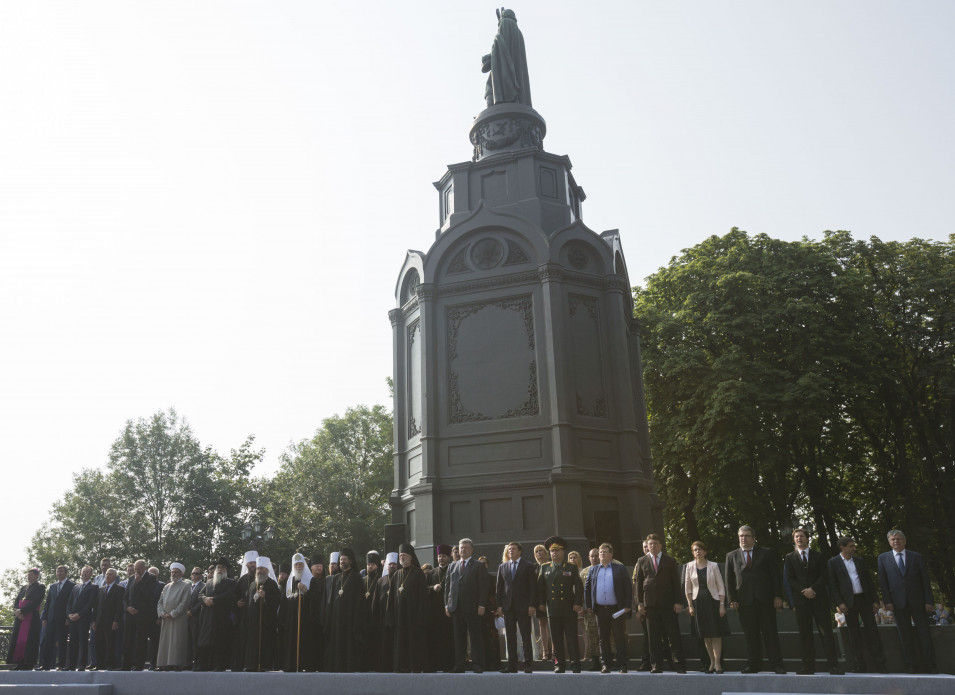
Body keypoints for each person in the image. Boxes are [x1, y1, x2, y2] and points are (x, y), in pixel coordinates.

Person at [725, 525, 786, 674]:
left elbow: (775, 576)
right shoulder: (731, 556)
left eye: (746, 535)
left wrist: (778, 596)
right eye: (741, 536)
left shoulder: (766, 553)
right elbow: (729, 580)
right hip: (744, 602)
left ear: (754, 538)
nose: (743, 538)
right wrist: (732, 599)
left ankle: (777, 664)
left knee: (770, 633)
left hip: (765, 600)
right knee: (750, 635)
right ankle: (753, 665)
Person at [877, 529, 938, 674]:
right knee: (904, 635)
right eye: (893, 539)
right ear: (889, 542)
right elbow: (883, 582)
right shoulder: (883, 558)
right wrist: (887, 601)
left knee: (924, 633)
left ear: (904, 541)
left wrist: (929, 600)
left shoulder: (916, 557)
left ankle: (930, 664)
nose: (896, 541)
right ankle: (911, 665)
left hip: (918, 601)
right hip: (897, 603)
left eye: (898, 539)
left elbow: (925, 579)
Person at [784, 528, 843, 675]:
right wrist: (804, 591)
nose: (799, 539)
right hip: (801, 601)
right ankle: (807, 666)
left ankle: (833, 666)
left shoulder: (819, 555)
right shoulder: (789, 557)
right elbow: (790, 579)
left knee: (826, 633)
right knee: (805, 634)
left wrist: (813, 589)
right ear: (794, 540)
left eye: (802, 536)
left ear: (807, 538)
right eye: (796, 537)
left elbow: (824, 575)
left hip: (819, 599)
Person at [827, 536, 886, 673]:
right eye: (851, 546)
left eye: (854, 546)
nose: (854, 548)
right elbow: (833, 584)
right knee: (853, 634)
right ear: (843, 547)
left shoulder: (860, 561)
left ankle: (880, 664)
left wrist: (875, 600)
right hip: (848, 602)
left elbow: (869, 581)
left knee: (873, 632)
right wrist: (839, 602)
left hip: (864, 599)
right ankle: (859, 664)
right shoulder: (833, 562)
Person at [634, 533, 686, 673]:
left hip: (668, 604)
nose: (652, 546)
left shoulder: (670, 560)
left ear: (661, 545)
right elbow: (639, 584)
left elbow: (676, 582)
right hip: (650, 605)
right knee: (653, 638)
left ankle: (679, 665)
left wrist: (678, 601)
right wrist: (639, 603)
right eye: (650, 544)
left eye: (655, 543)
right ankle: (656, 665)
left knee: (673, 635)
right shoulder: (642, 561)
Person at [537, 535, 583, 673]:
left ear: (563, 552)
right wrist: (541, 603)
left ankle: (575, 664)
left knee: (571, 637)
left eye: (557, 551)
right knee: (556, 639)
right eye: (552, 551)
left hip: (569, 608)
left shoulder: (571, 567)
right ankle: (559, 664)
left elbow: (579, 587)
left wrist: (578, 603)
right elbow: (540, 588)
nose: (554, 553)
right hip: (553, 609)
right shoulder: (545, 568)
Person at [584, 542, 631, 674]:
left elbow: (627, 587)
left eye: (604, 552)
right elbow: (587, 588)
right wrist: (588, 606)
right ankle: (606, 664)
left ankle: (622, 664)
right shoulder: (593, 570)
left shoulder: (619, 568)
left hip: (616, 609)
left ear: (611, 554)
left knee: (619, 636)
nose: (602, 554)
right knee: (603, 638)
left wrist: (627, 605)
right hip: (600, 609)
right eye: (600, 552)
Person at [445, 537, 490, 673]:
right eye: (460, 548)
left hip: (472, 607)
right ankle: (459, 665)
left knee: (475, 636)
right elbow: (447, 587)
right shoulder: (452, 566)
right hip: (456, 607)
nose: (462, 550)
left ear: (471, 549)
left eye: (465, 548)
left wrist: (482, 605)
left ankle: (477, 664)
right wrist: (447, 605)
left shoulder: (478, 565)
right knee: (459, 638)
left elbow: (484, 587)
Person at [684, 541, 728, 674]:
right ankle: (711, 663)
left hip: (713, 602)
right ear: (693, 553)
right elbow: (687, 588)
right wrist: (690, 605)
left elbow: (721, 587)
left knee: (716, 633)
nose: (698, 552)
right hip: (698, 603)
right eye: (695, 550)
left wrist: (722, 605)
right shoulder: (689, 566)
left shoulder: (713, 566)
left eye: (700, 549)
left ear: (705, 551)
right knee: (705, 635)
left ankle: (718, 663)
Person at [495, 541, 537, 673]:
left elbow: (533, 587)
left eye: (513, 549)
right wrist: (499, 606)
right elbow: (499, 589)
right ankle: (511, 665)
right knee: (510, 637)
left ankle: (528, 664)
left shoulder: (528, 566)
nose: (510, 551)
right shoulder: (503, 566)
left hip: (524, 606)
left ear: (520, 551)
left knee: (525, 636)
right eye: (509, 549)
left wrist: (532, 604)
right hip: (508, 607)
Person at [390, 543, 430, 672]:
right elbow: (391, 597)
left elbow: (423, 597)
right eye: (400, 555)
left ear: (411, 557)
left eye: (404, 555)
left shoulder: (418, 573)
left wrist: (421, 616)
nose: (402, 557)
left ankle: (414, 665)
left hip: (414, 616)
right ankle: (401, 665)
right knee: (400, 640)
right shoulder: (396, 575)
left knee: (414, 641)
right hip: (399, 615)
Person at [481, 8, 532, 107]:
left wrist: (501, 22)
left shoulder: (505, 24)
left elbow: (500, 48)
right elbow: (505, 48)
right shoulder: (518, 33)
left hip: (502, 74)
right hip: (514, 81)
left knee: (490, 91)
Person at [329, 547, 367, 672]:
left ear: (350, 561)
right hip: (337, 619)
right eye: (340, 559)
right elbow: (331, 600)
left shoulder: (356, 577)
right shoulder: (336, 578)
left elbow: (360, 602)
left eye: (344, 559)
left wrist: (357, 620)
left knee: (349, 645)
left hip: (350, 619)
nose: (342, 562)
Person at [196, 558, 236, 671]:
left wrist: (214, 600)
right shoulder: (208, 582)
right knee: (205, 640)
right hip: (207, 617)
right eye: (218, 567)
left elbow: (229, 595)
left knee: (219, 642)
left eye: (222, 568)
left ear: (226, 570)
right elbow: (199, 594)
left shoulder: (230, 582)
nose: (220, 570)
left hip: (221, 617)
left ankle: (219, 666)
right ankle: (202, 665)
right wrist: (205, 599)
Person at [242, 557, 280, 671]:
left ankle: (264, 665)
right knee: (252, 643)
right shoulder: (253, 585)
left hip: (266, 623)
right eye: (258, 568)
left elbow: (277, 600)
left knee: (265, 644)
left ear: (267, 570)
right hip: (253, 622)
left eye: (262, 568)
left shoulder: (272, 584)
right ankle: (251, 665)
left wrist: (265, 596)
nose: (260, 571)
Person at [280, 552, 314, 672]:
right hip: (291, 620)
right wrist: (283, 619)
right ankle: (291, 664)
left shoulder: (311, 580)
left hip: (305, 619)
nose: (298, 567)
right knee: (291, 642)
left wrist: (306, 592)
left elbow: (315, 601)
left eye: (300, 564)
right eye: (296, 565)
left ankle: (304, 664)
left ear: (304, 565)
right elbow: (284, 601)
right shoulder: (290, 581)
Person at [122, 559, 158, 671]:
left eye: (138, 569)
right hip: (130, 614)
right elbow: (125, 597)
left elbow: (149, 596)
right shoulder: (131, 578)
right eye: (135, 569)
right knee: (128, 640)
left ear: (143, 568)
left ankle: (138, 665)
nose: (136, 571)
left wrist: (140, 582)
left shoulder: (151, 578)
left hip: (142, 615)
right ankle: (126, 665)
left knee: (140, 641)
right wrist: (127, 608)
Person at [155, 562, 192, 670]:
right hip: (166, 618)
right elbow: (160, 602)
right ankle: (164, 664)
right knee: (165, 641)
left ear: (181, 574)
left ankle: (176, 663)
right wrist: (162, 613)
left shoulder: (186, 586)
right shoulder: (166, 587)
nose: (174, 574)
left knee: (177, 641)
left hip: (178, 618)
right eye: (172, 572)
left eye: (176, 572)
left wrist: (173, 614)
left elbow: (184, 602)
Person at [7, 568, 45, 670]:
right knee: (19, 639)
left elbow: (36, 602)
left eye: (31, 574)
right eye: (28, 574)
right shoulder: (24, 587)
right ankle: (19, 662)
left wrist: (22, 611)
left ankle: (28, 663)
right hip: (20, 618)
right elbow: (16, 601)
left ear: (37, 576)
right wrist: (17, 611)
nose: (29, 576)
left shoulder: (40, 587)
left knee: (30, 641)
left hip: (31, 617)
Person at [39, 565, 73, 670]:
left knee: (62, 643)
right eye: (57, 571)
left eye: (61, 571)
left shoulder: (72, 585)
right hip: (51, 618)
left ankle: (61, 665)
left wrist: (68, 618)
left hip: (63, 619)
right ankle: (45, 665)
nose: (59, 573)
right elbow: (48, 602)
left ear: (66, 573)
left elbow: (71, 603)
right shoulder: (53, 586)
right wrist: (44, 617)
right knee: (48, 642)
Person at [427, 545, 454, 672]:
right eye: (439, 556)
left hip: (449, 611)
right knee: (435, 638)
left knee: (448, 639)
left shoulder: (453, 570)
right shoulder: (431, 572)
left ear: (448, 557)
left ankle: (448, 665)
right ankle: (435, 664)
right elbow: (424, 588)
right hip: (434, 611)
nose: (441, 558)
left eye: (443, 556)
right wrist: (433, 588)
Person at [65, 564, 97, 670]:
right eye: (83, 571)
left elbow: (90, 603)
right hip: (73, 619)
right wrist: (69, 614)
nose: (84, 573)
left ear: (91, 574)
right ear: (80, 573)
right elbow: (69, 602)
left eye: (87, 572)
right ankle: (71, 665)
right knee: (72, 642)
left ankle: (82, 665)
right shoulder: (76, 586)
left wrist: (79, 614)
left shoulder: (93, 587)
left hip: (83, 618)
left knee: (83, 642)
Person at [232, 550, 259, 671]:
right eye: (250, 563)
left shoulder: (263, 578)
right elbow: (234, 596)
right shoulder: (242, 580)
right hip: (243, 617)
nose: (252, 565)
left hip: (256, 617)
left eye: (254, 563)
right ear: (246, 565)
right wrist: (236, 603)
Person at [92, 568, 123, 671]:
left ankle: (110, 664)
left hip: (111, 621)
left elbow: (119, 606)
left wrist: (116, 620)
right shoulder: (101, 589)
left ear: (114, 577)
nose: (107, 576)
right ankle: (99, 664)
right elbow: (96, 606)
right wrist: (94, 621)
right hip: (100, 621)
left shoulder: (119, 589)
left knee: (110, 643)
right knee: (99, 644)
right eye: (106, 574)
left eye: (110, 574)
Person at [531, 543, 552, 662]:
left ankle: (554, 652)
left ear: (546, 553)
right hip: (539, 601)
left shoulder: (551, 565)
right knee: (542, 624)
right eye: (536, 552)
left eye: (541, 551)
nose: (539, 553)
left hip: (551, 599)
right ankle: (545, 651)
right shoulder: (533, 567)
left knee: (553, 625)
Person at [185, 567, 206, 670]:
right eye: (193, 573)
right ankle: (187, 663)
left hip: (196, 618)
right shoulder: (188, 586)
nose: (194, 575)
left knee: (195, 641)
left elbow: (201, 601)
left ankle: (197, 663)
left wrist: (192, 611)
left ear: (201, 575)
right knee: (187, 641)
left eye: (197, 574)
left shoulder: (203, 586)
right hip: (186, 618)